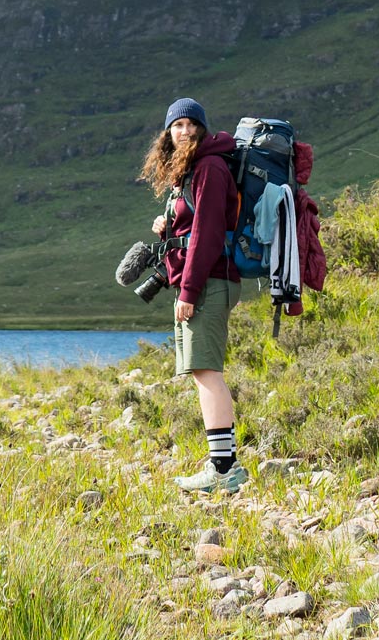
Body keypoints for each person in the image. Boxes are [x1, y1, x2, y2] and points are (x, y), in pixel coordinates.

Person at [141, 96, 248, 494]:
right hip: (201, 281)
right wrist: (167, 224)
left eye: (191, 125)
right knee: (202, 373)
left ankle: (224, 470)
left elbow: (205, 236)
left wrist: (189, 290)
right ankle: (223, 465)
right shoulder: (191, 170)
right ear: (168, 132)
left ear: (202, 128)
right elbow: (193, 226)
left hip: (208, 281)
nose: (184, 131)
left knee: (208, 373)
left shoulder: (210, 167)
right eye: (177, 126)